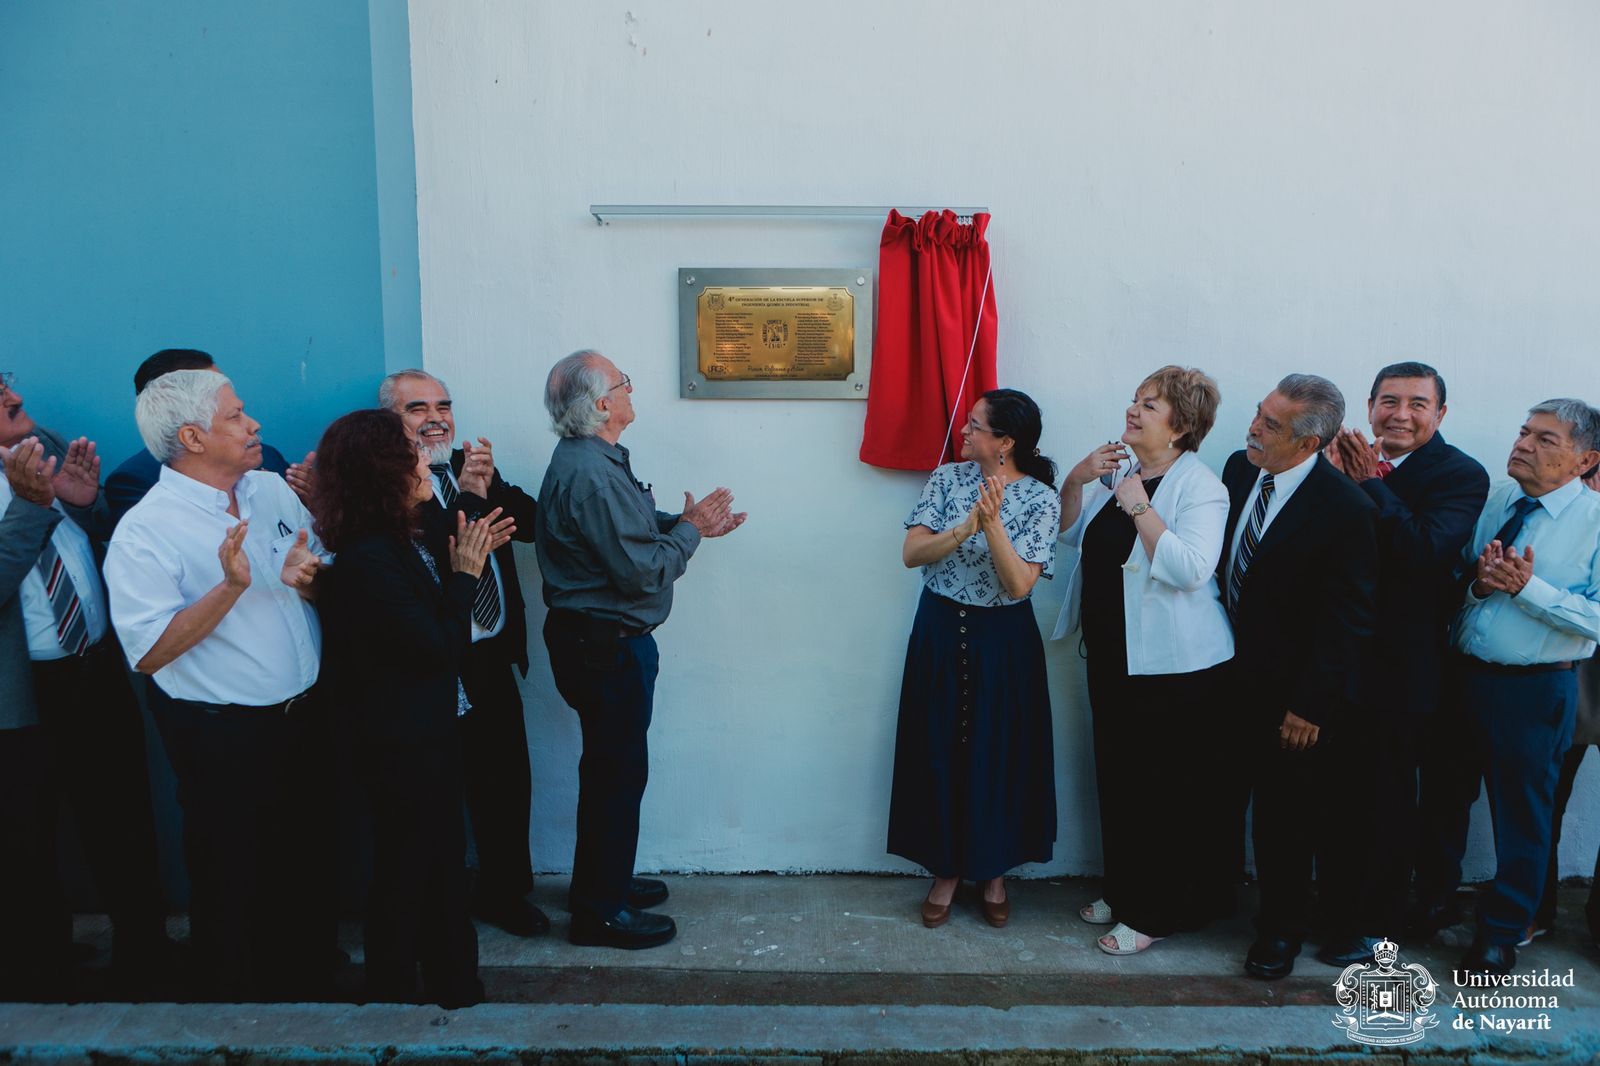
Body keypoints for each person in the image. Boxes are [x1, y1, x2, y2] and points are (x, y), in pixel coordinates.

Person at [103, 369, 333, 999]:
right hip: (222, 734)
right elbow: (149, 652)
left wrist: (308, 580)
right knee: (233, 874)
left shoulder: (269, 491)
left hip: (303, 714)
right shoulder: (146, 531)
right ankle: (235, 1007)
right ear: (192, 437)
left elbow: (318, 580)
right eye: (235, 416)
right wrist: (229, 588)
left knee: (307, 860)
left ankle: (312, 984)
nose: (253, 424)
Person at [535, 350, 745, 949]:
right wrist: (689, 532)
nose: (632, 390)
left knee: (613, 772)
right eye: (625, 383)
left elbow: (623, 526)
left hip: (600, 642)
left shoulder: (592, 460)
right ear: (603, 404)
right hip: (605, 646)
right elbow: (641, 572)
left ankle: (605, 884)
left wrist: (682, 522)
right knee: (615, 776)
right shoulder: (592, 471)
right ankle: (599, 912)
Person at [311, 408, 510, 1007]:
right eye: (412, 454)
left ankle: (434, 979)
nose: (426, 461)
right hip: (402, 744)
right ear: (382, 471)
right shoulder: (371, 557)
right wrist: (465, 575)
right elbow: (439, 648)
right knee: (418, 869)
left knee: (429, 865)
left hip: (421, 734)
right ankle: (417, 986)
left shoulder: (396, 540)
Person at [0, 370, 174, 989]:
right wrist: (31, 508)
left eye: (4, 381)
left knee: (124, 818)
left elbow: (96, 541)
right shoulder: (25, 482)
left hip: (93, 671)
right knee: (25, 840)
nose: (11, 394)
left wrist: (83, 504)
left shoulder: (39, 446)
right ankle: (38, 970)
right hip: (19, 698)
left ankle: (146, 957)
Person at [1313, 361, 1488, 967]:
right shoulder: (1331, 455)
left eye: (1418, 404)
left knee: (1386, 801)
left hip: (1401, 666)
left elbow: (1421, 550)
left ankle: (1375, 926)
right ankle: (1332, 908)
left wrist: (1369, 484)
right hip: (1334, 657)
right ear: (1369, 406)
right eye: (1389, 401)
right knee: (1334, 795)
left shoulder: (1460, 474)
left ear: (1440, 414)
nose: (1401, 414)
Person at [1052, 367, 1232, 955]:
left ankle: (1154, 911)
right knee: (1119, 778)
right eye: (1134, 400)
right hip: (1114, 658)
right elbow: (1072, 536)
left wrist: (1137, 507)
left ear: (1180, 425)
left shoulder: (1200, 486)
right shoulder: (1128, 472)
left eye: (1148, 405)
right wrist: (1079, 479)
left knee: (1163, 792)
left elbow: (1188, 569)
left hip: (1176, 671)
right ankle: (1125, 889)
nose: (1133, 410)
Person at [1219, 374, 1377, 980]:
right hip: (1225, 678)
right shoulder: (1238, 470)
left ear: (1309, 444)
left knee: (1286, 818)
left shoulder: (1345, 508)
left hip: (1291, 698)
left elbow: (1349, 620)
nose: (1254, 429)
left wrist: (1310, 706)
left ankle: (1280, 932)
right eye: (1258, 413)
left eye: (1271, 426)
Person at [1434, 399, 1600, 976]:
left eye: (1546, 439)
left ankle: (1501, 934)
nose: (1524, 443)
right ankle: (1434, 903)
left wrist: (1531, 589)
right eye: (1524, 431)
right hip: (1465, 677)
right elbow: (1469, 580)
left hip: (1534, 691)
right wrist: (1479, 587)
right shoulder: (1501, 500)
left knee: (1522, 816)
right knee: (1443, 799)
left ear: (1586, 460)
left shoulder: (1596, 522)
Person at [378, 369, 547, 937]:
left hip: (487, 657)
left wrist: (489, 486)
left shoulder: (466, 467)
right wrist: (473, 505)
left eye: (444, 405)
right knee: (439, 791)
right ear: (389, 421)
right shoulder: (389, 484)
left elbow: (533, 525)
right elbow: (449, 548)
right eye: (417, 407)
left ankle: (506, 892)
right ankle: (440, 906)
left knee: (505, 780)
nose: (436, 418)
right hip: (431, 662)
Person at [889, 388, 1061, 930]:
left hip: (1002, 638)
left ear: (1005, 442)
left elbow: (1017, 587)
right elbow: (912, 553)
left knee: (999, 752)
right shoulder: (946, 480)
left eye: (975, 426)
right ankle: (944, 871)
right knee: (937, 746)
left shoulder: (1040, 499)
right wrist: (964, 527)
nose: (963, 433)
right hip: (940, 627)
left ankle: (992, 873)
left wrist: (994, 528)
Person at [105, 349, 312, 524]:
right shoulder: (136, 484)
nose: (254, 426)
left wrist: (314, 502)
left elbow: (314, 551)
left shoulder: (268, 458)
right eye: (208, 386)